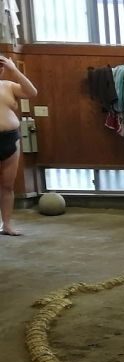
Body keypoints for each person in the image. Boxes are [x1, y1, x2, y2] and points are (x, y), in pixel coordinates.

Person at [0, 55, 37, 236]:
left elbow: (32, 93)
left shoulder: (8, 85)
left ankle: (7, 225)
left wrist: (14, 70)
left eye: (2, 64)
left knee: (7, 185)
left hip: (10, 139)